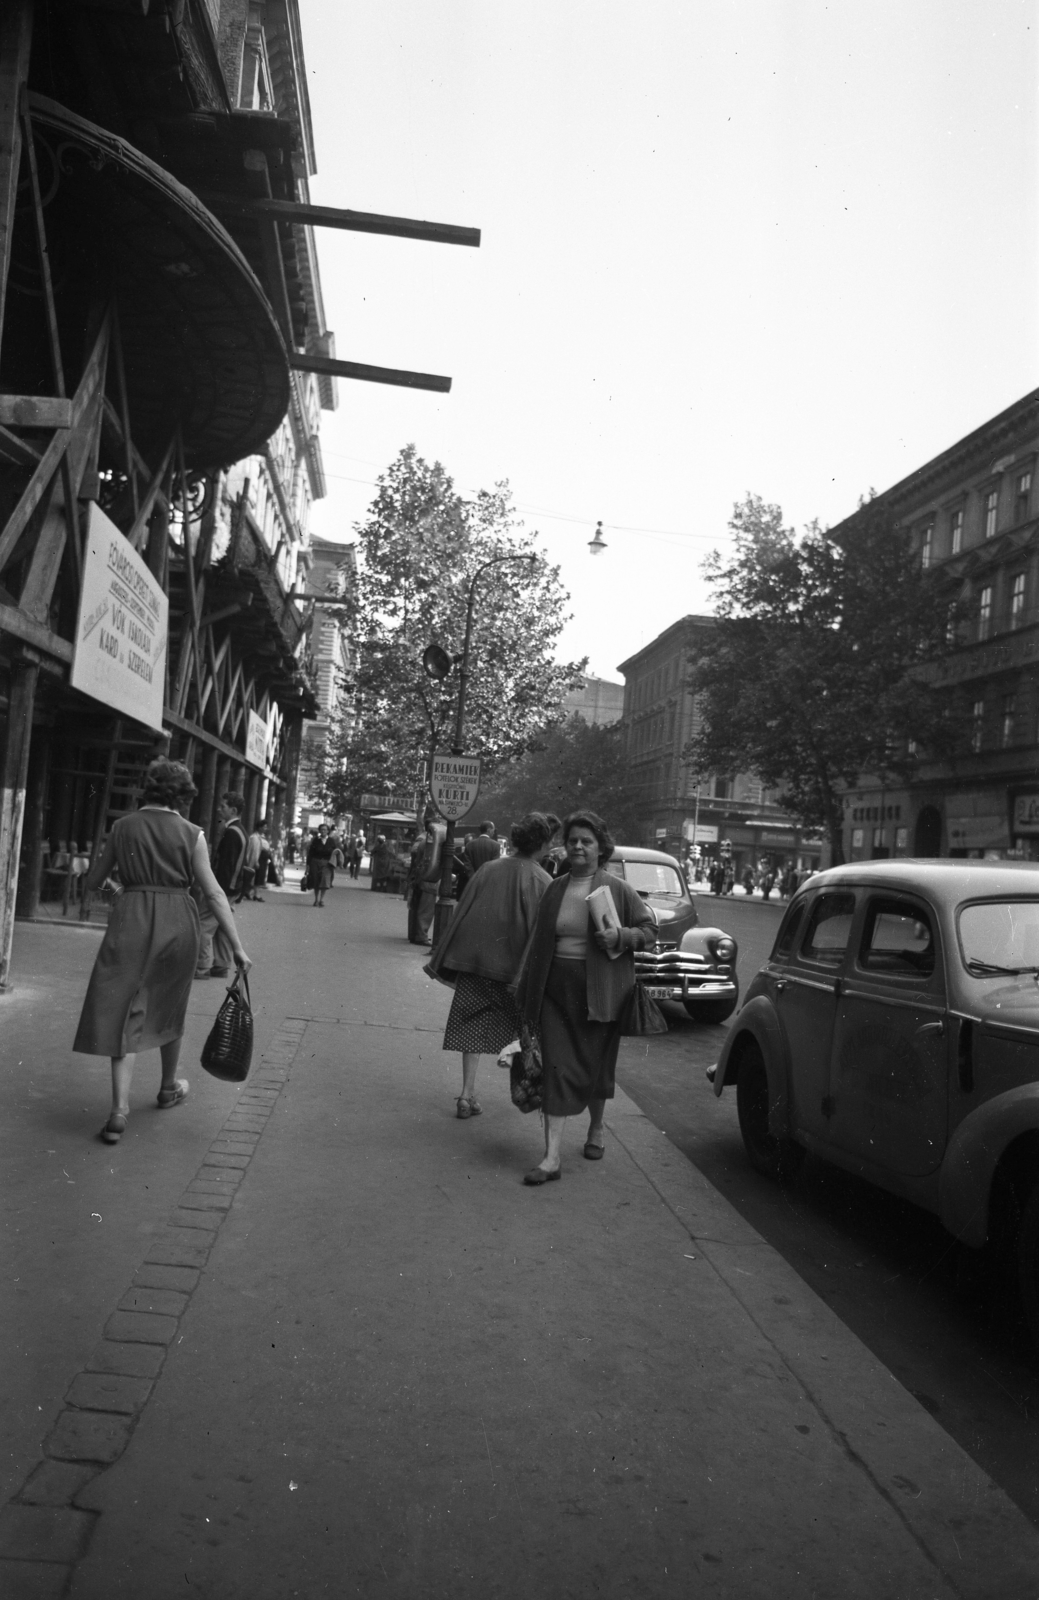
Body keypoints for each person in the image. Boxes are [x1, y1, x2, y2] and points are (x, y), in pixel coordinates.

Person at [73, 758, 251, 1145]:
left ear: (147, 787)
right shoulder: (193, 834)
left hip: (130, 919)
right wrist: (236, 946)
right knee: (171, 1004)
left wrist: (122, 893)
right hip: (178, 922)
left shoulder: (122, 827)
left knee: (124, 1008)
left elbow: (94, 882)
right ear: (184, 795)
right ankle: (168, 1086)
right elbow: (214, 892)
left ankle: (119, 1109)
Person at [513, 810, 655, 1184]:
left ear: (600, 848)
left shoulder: (617, 889)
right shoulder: (555, 887)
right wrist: (526, 993)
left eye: (586, 841)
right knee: (557, 1068)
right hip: (555, 991)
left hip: (601, 992)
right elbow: (538, 944)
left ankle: (596, 1129)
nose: (577, 846)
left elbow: (648, 929)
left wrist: (621, 937)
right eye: (573, 840)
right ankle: (551, 1158)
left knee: (596, 1068)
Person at [426, 812, 556, 1118]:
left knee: (471, 1029)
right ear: (541, 844)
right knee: (524, 1033)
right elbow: (542, 934)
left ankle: (466, 1094)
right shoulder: (543, 880)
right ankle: (527, 1091)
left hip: (476, 964)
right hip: (514, 972)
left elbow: (464, 908)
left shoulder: (488, 869)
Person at [196, 791, 247, 977]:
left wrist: (218, 892)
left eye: (223, 807)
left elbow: (226, 866)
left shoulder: (232, 833)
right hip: (232, 888)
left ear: (233, 810)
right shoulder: (240, 831)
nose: (219, 810)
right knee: (223, 924)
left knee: (203, 923)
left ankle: (201, 965)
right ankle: (222, 963)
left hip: (224, 887)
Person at [306, 823, 335, 906]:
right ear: (319, 831)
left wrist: (334, 863)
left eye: (325, 829)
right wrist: (308, 865)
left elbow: (335, 852)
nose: (323, 831)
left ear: (328, 831)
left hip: (327, 864)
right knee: (316, 881)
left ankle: (321, 900)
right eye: (321, 829)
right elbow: (310, 853)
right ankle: (316, 899)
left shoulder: (331, 841)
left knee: (325, 881)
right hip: (315, 862)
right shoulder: (316, 840)